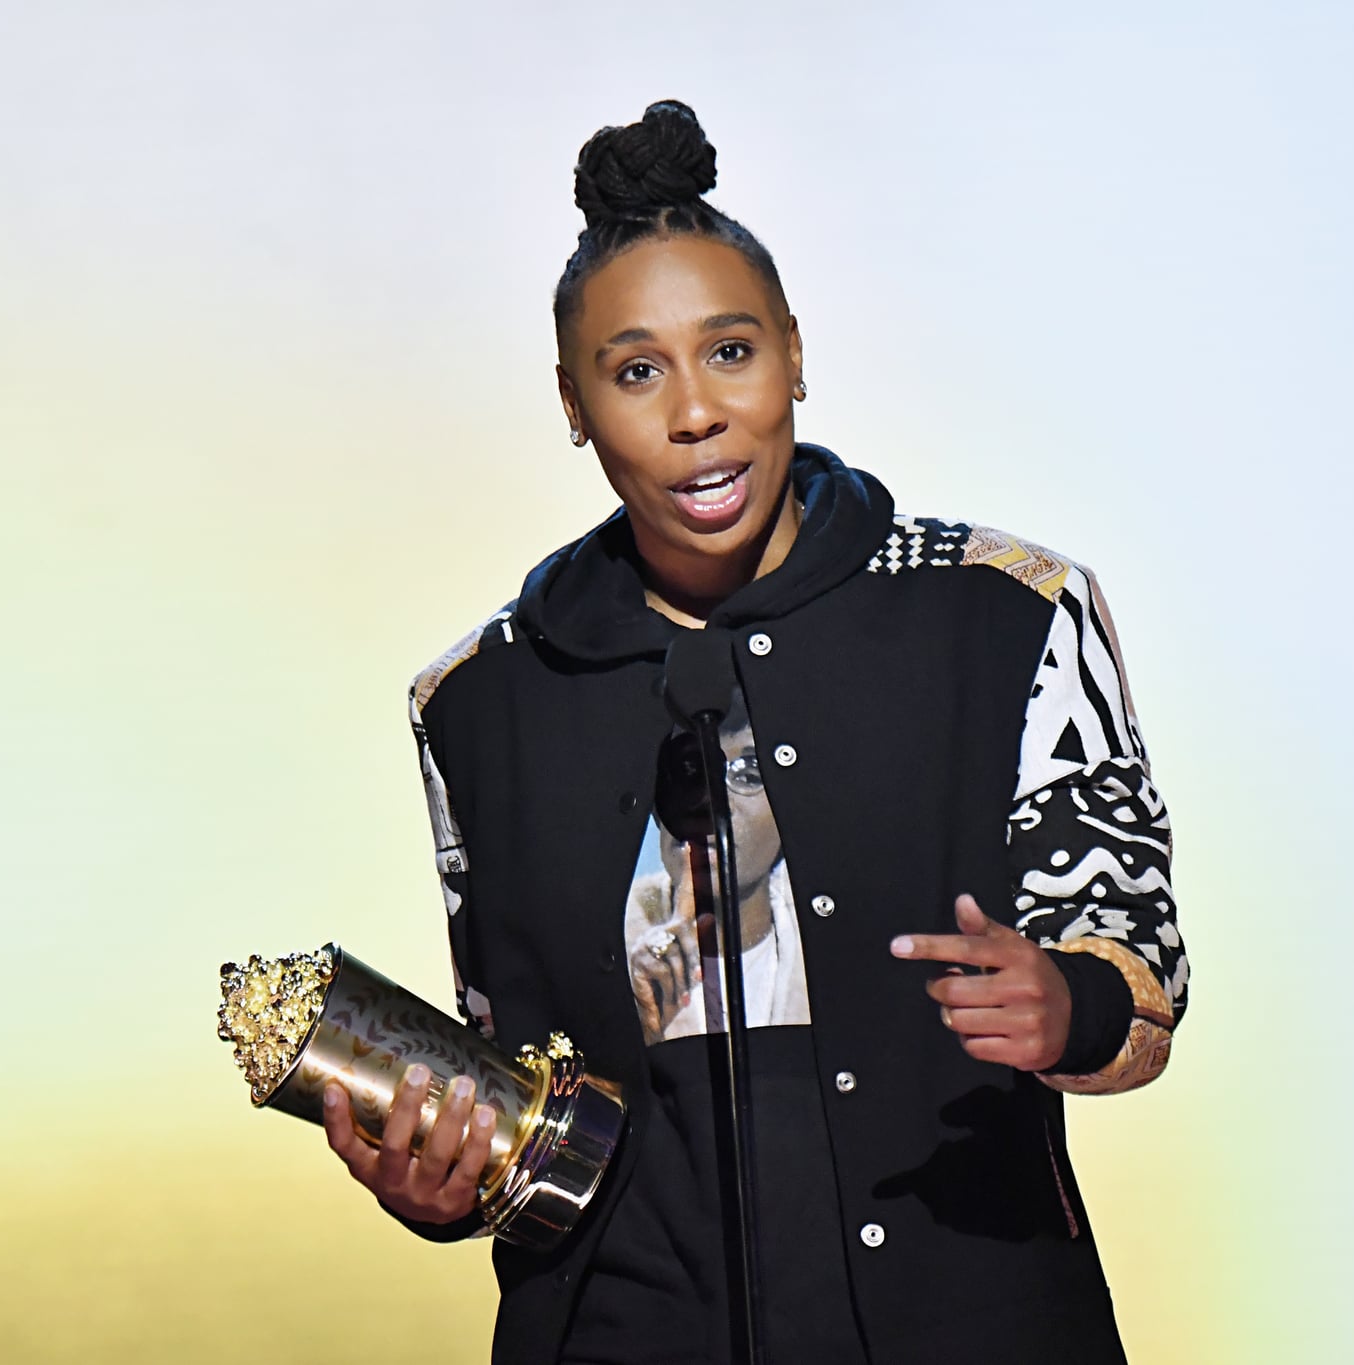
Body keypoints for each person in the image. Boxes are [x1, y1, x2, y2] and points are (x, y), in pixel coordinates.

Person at [319, 100, 1187, 1365]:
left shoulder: (1006, 612)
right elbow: (524, 1081)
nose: (693, 414)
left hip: (963, 1311)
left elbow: (1139, 978)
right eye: (634, 371)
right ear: (572, 403)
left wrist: (1065, 1005)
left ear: (791, 352)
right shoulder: (478, 700)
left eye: (728, 352)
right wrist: (449, 1182)